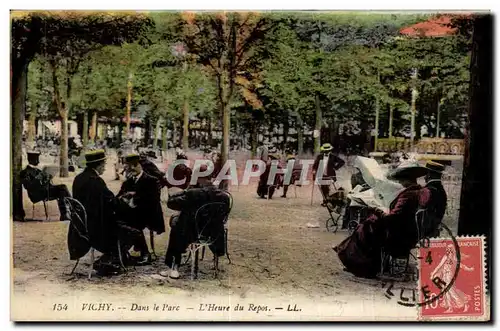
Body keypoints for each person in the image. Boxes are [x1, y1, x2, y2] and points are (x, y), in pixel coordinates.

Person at [333, 163, 428, 279]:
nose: (400, 183)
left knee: (365, 227)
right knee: (367, 225)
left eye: (401, 181)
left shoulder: (408, 195)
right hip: (406, 229)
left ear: (406, 180)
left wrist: (377, 209)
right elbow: (399, 214)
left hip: (398, 232)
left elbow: (392, 217)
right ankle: (352, 257)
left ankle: (362, 265)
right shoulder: (418, 191)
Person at [71, 150, 142, 275]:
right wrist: (126, 204)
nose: (104, 167)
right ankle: (111, 259)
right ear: (98, 165)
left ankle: (114, 257)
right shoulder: (96, 181)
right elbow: (111, 202)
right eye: (103, 165)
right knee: (131, 230)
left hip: (80, 226)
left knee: (119, 223)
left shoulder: (79, 178)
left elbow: (103, 200)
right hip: (95, 228)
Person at [160, 175, 230, 279]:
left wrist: (186, 190)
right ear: (211, 178)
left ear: (198, 179)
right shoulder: (224, 196)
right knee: (184, 219)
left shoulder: (193, 193)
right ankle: (215, 263)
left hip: (193, 234)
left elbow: (171, 203)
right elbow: (223, 216)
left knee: (177, 225)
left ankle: (173, 267)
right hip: (214, 234)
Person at [117, 154, 165, 265]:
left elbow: (153, 200)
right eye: (129, 166)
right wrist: (122, 198)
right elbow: (118, 197)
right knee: (119, 219)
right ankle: (122, 250)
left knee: (133, 221)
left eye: (135, 165)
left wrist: (135, 195)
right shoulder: (127, 182)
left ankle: (145, 253)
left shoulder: (151, 180)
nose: (132, 168)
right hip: (134, 213)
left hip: (150, 213)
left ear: (141, 165)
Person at [20, 151, 71, 221]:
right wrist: (39, 179)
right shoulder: (25, 172)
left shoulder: (37, 170)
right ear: (31, 160)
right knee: (62, 189)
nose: (38, 161)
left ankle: (66, 212)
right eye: (36, 159)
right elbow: (29, 186)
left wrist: (48, 177)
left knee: (62, 189)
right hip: (36, 194)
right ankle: (68, 211)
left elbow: (44, 182)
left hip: (45, 190)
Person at [418, 161, 448, 237]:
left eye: (426, 174)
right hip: (433, 230)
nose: (424, 177)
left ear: (429, 175)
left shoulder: (429, 190)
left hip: (424, 232)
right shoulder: (441, 190)